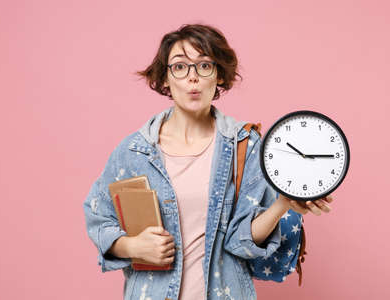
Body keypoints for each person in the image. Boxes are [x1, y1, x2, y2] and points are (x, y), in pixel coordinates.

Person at [83, 23, 333, 300]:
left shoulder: (244, 146)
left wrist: (282, 204)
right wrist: (130, 247)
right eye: (180, 66)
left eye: (204, 66)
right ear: (165, 78)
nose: (193, 78)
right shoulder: (134, 150)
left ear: (220, 77)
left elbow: (242, 243)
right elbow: (98, 217)